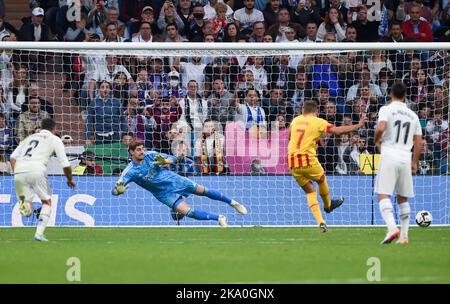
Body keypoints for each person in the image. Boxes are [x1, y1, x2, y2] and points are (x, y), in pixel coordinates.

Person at [112, 140, 247, 227]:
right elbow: (115, 190)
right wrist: (118, 191)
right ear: (131, 152)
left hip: (175, 180)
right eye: (138, 150)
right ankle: (219, 218)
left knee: (204, 191)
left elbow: (174, 158)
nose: (142, 152)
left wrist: (166, 161)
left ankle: (233, 203)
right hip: (163, 193)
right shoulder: (130, 171)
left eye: (142, 149)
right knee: (188, 212)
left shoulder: (151, 155)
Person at [288, 100, 367, 232]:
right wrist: (358, 125)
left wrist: (313, 141)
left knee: (310, 190)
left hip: (292, 161)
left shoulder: (295, 120)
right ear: (316, 111)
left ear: (303, 111)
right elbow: (338, 131)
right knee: (322, 179)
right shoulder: (318, 121)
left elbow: (291, 137)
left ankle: (321, 222)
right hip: (307, 159)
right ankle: (328, 205)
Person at [9, 118, 76, 242]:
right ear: (54, 129)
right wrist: (70, 179)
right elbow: (65, 163)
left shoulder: (29, 138)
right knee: (47, 202)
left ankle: (26, 205)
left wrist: (17, 172)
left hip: (19, 170)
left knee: (27, 210)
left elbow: (12, 157)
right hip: (37, 169)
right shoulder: (55, 139)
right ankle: (39, 234)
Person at [374, 82, 422, 245]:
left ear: (390, 94)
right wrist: (414, 162)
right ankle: (404, 236)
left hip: (389, 154)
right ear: (405, 96)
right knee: (402, 198)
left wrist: (376, 140)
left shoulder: (386, 109)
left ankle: (392, 227)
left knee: (383, 194)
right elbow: (419, 141)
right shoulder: (413, 115)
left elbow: (381, 127)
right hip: (405, 157)